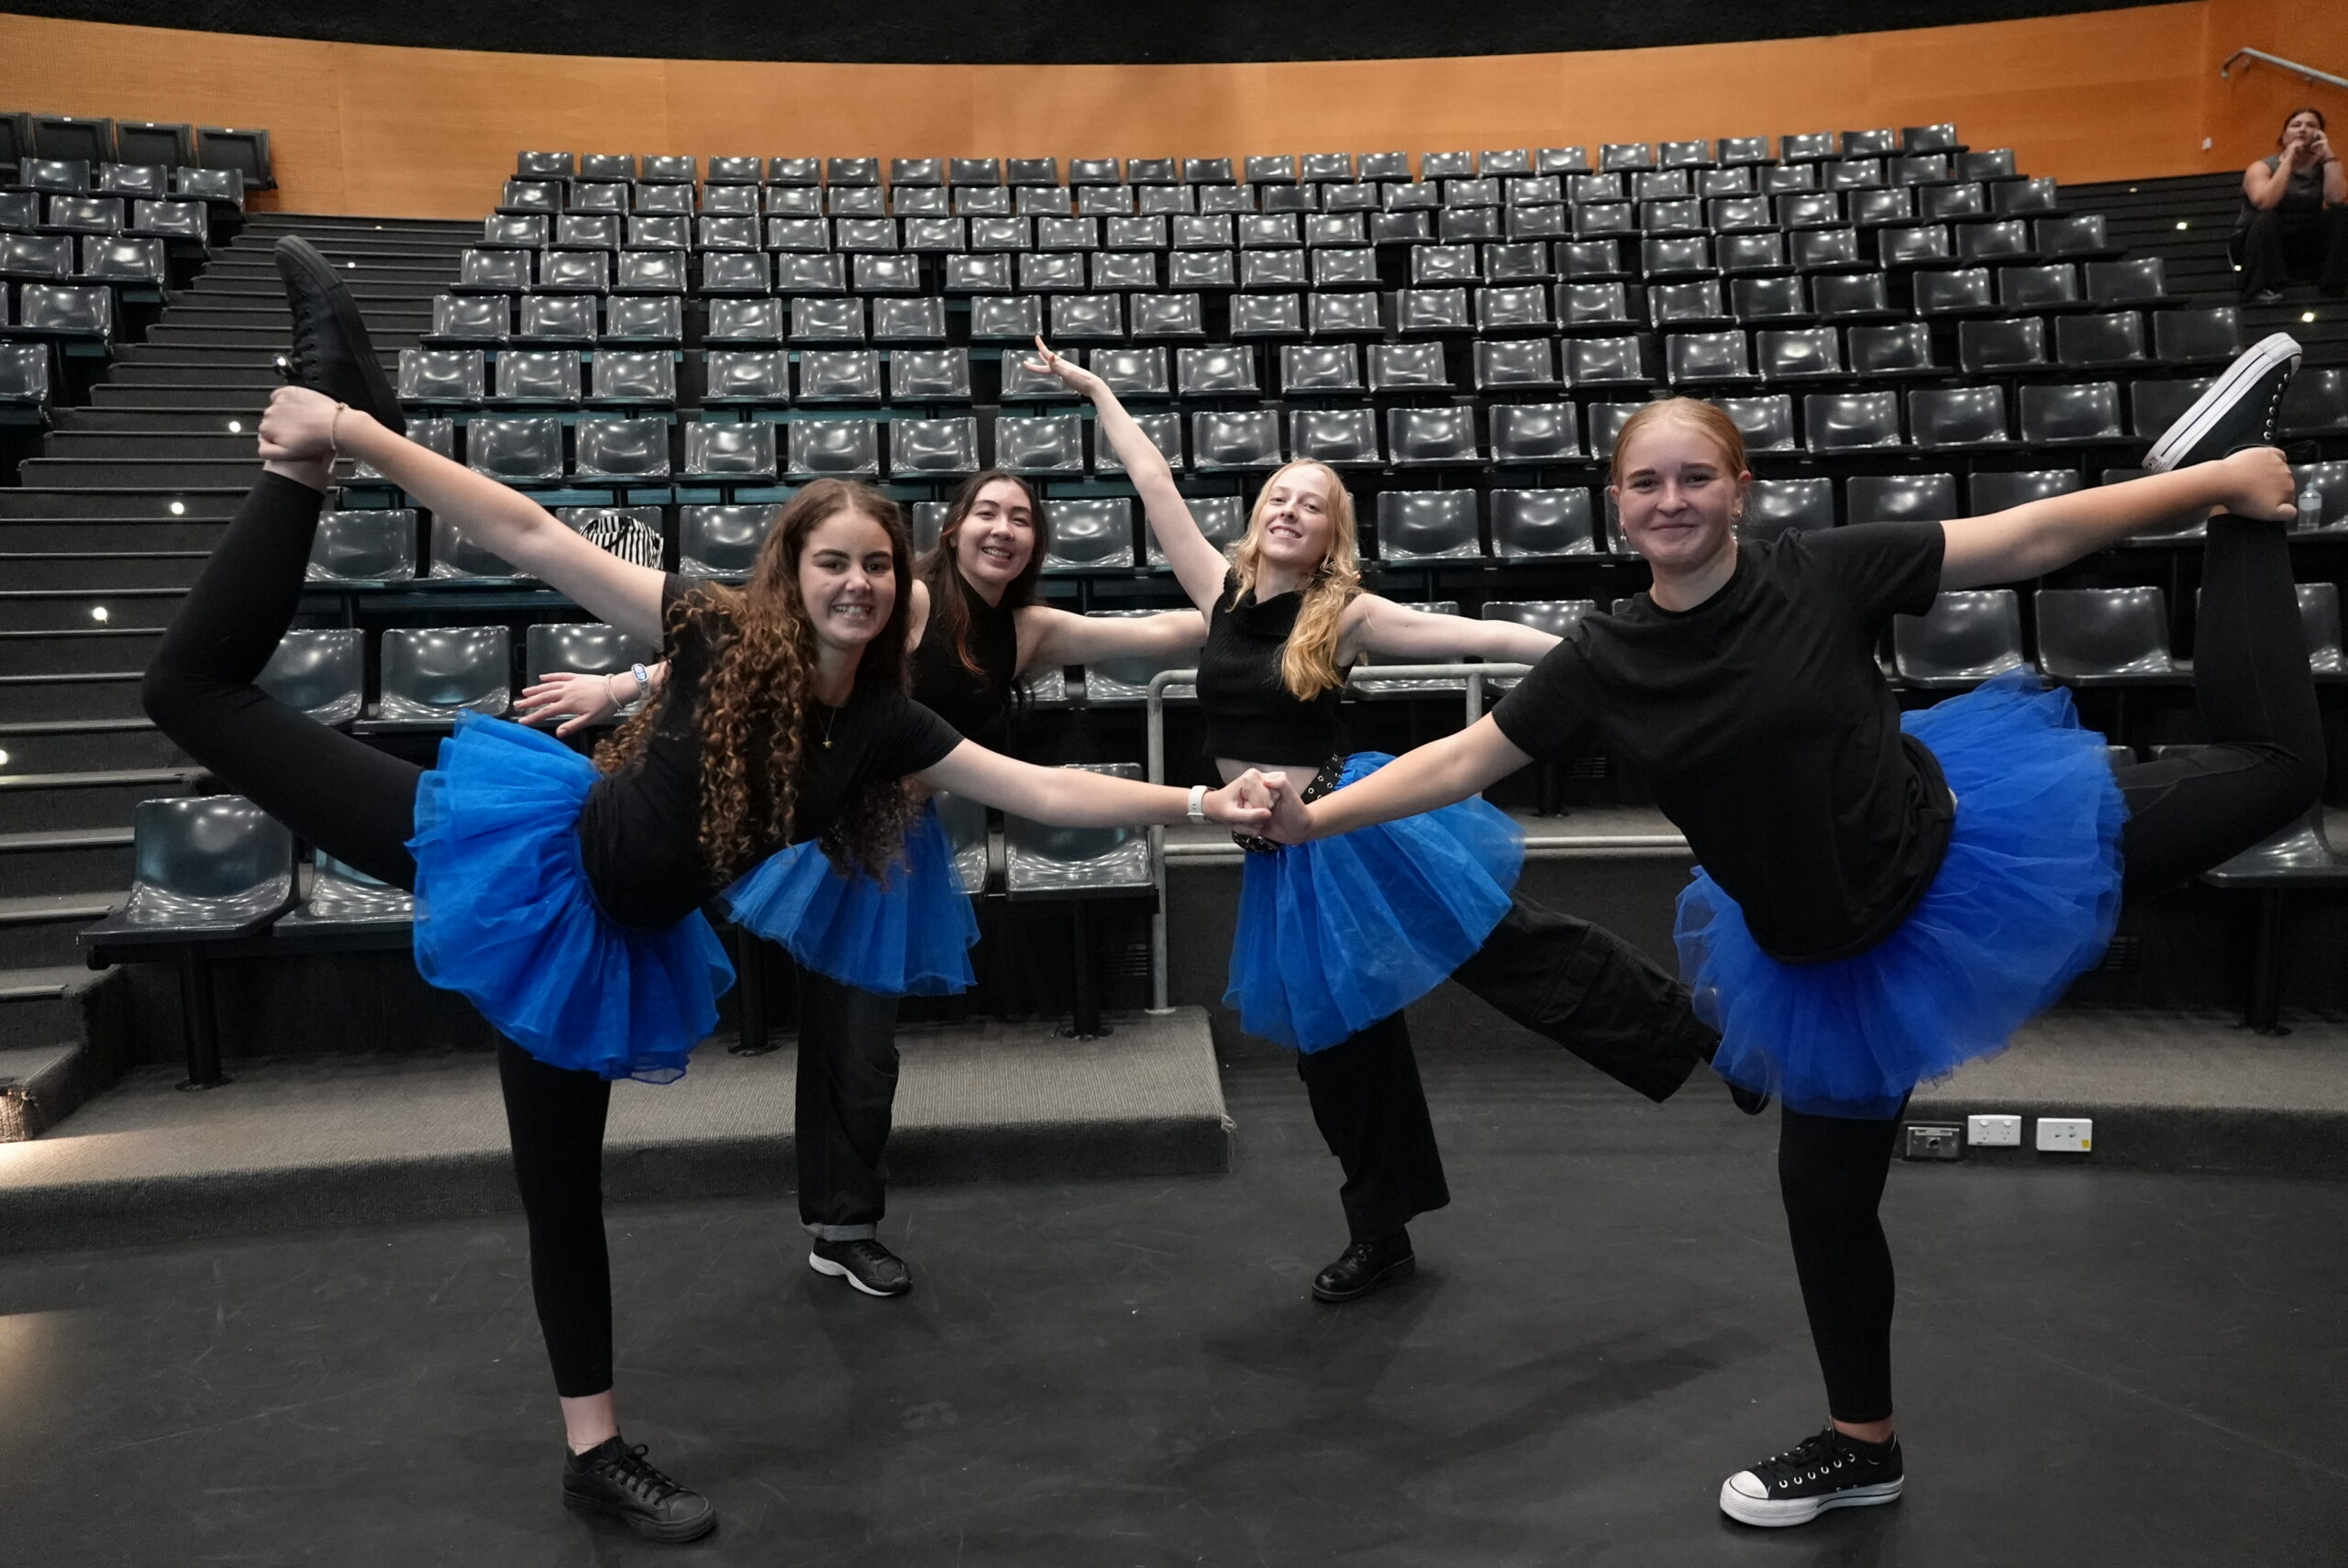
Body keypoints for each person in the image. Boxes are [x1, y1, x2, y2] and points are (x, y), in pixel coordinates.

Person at [138, 239, 1278, 1544]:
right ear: (791, 570)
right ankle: (307, 448)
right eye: (833, 560)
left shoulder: (889, 725)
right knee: (189, 691)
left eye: (879, 565)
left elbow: (1043, 788)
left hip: (604, 945)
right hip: (524, 862)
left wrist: (1202, 805)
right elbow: (528, 531)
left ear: (903, 585)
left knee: (561, 1192)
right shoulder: (718, 628)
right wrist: (350, 436)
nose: (858, 582)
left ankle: (592, 1455)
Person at [1257, 341, 2320, 1528]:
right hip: (1826, 959)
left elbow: (2024, 538)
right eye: (1646, 482)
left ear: (1738, 489)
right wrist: (1313, 818)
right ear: (1617, 503)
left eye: (1694, 477)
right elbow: (1463, 759)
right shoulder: (1605, 658)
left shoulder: (1817, 571)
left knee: (2279, 770)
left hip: (1968, 862)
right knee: (1824, 1200)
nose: (1671, 500)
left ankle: (2241, 483)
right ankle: (1864, 1449)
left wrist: (2212, 488)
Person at [1024, 337, 1721, 1305]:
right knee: (1339, 1051)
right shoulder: (1217, 593)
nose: (1289, 509)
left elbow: (1477, 635)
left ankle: (1700, 1035)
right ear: (1256, 516)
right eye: (1278, 496)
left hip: (1355, 825)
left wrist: (1601, 655)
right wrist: (1095, 387)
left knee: (1509, 949)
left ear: (1330, 536)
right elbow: (1151, 479)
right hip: (1281, 858)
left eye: (1311, 504)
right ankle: (1380, 1230)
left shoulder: (1344, 614)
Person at [516, 469, 1207, 1300]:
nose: (1002, 529)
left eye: (1021, 519)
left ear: (1036, 543)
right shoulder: (902, 596)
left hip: (893, 848)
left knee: (863, 1047)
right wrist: (621, 685)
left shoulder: (1031, 631)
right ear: (952, 528)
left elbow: (1166, 633)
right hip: (821, 830)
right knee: (849, 1038)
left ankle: (843, 1226)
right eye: (986, 512)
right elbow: (758, 644)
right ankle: (840, 1224)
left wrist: (1263, 602)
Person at [2235, 106, 2346, 304]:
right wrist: (2288, 160)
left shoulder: (2323, 167)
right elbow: (2265, 202)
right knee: (2267, 216)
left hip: (2305, 239)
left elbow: (2336, 198)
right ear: (2284, 136)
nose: (2303, 129)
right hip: (2260, 239)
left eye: (2311, 125)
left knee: (2341, 213)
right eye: (2296, 125)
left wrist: (2328, 155)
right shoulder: (2262, 167)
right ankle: (2261, 287)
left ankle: (2335, 285)